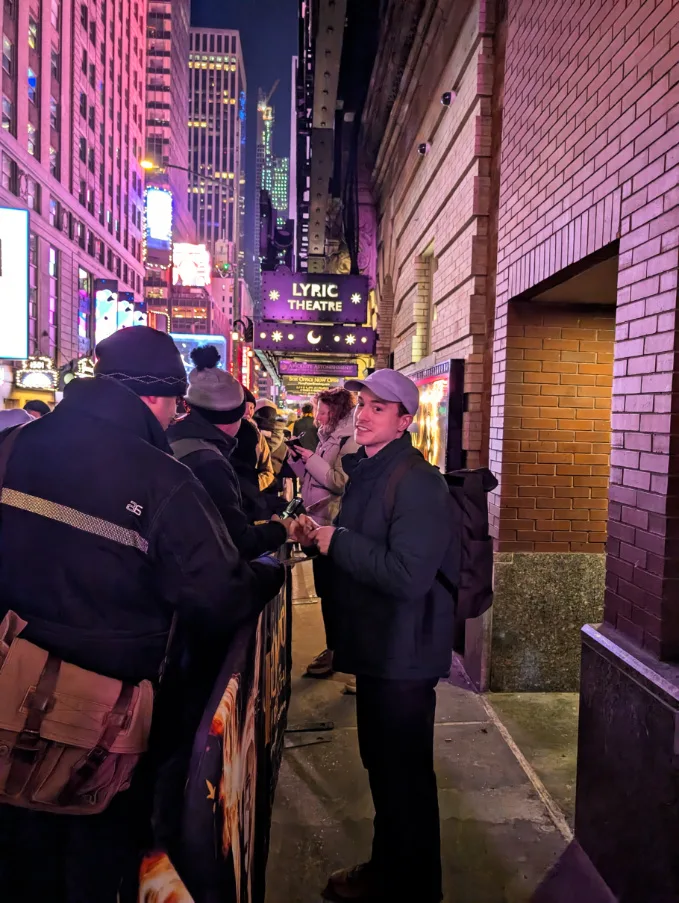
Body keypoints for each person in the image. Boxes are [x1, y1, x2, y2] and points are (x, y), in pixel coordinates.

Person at [0, 326, 267, 903]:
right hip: (103, 726)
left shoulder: (15, 446)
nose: (175, 416)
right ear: (153, 396)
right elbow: (220, 597)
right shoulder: (163, 479)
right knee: (95, 861)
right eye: (174, 402)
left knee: (17, 852)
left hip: (7, 693)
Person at [304, 369, 457, 903]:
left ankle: (409, 885)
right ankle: (391, 869)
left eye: (379, 407)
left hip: (403, 655)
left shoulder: (416, 481)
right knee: (386, 770)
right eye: (362, 404)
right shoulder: (371, 470)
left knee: (403, 777)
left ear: (405, 421)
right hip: (378, 649)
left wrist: (336, 541)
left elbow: (407, 575)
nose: (364, 414)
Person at [167, 345, 302, 561]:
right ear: (231, 418)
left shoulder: (173, 437)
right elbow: (235, 541)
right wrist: (281, 529)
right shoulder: (209, 462)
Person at [288, 388, 359, 679]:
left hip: (334, 521)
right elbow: (313, 477)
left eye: (323, 411)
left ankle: (345, 655)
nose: (317, 416)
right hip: (317, 519)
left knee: (337, 593)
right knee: (326, 592)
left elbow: (340, 481)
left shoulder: (349, 439)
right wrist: (298, 459)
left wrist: (310, 460)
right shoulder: (327, 436)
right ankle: (335, 649)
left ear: (338, 411)